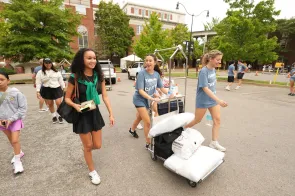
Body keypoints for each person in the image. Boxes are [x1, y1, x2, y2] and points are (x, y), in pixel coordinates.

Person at [64, 48, 115, 185]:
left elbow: (104, 95)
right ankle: (92, 171)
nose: (92, 61)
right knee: (88, 146)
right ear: (82, 59)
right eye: (89, 58)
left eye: (94, 58)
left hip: (94, 111)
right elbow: (67, 98)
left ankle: (86, 149)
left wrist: (111, 113)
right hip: (81, 114)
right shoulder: (75, 77)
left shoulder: (99, 75)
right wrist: (76, 106)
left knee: (97, 145)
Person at [184, 50, 227, 152]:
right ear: (211, 59)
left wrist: (216, 100)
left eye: (220, 60)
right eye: (217, 60)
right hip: (203, 100)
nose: (219, 62)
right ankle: (182, 129)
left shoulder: (213, 70)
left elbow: (212, 87)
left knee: (217, 120)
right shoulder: (204, 71)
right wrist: (219, 100)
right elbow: (205, 88)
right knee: (197, 120)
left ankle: (214, 142)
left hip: (212, 100)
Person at [128, 54, 170, 148]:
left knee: (139, 117)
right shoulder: (142, 74)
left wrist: (171, 92)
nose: (148, 62)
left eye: (150, 60)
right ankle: (148, 143)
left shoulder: (156, 74)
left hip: (147, 100)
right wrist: (151, 98)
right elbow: (140, 90)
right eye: (146, 60)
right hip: (139, 100)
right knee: (147, 122)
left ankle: (132, 129)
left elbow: (161, 88)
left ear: (155, 62)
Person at [0, 71, 27, 174]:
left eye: (2, 80)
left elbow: (22, 108)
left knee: (15, 140)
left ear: (8, 81)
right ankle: (19, 152)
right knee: (11, 139)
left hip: (15, 120)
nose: (0, 82)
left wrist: (11, 119)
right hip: (2, 121)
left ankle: (17, 161)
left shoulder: (16, 93)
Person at [36, 58, 65, 124]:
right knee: (50, 104)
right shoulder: (40, 73)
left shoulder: (56, 72)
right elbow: (38, 82)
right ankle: (54, 116)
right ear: (44, 64)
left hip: (56, 88)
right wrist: (38, 91)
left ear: (51, 63)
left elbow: (61, 81)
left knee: (58, 103)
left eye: (49, 63)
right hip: (47, 89)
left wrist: (64, 88)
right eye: (46, 63)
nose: (48, 64)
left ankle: (59, 116)